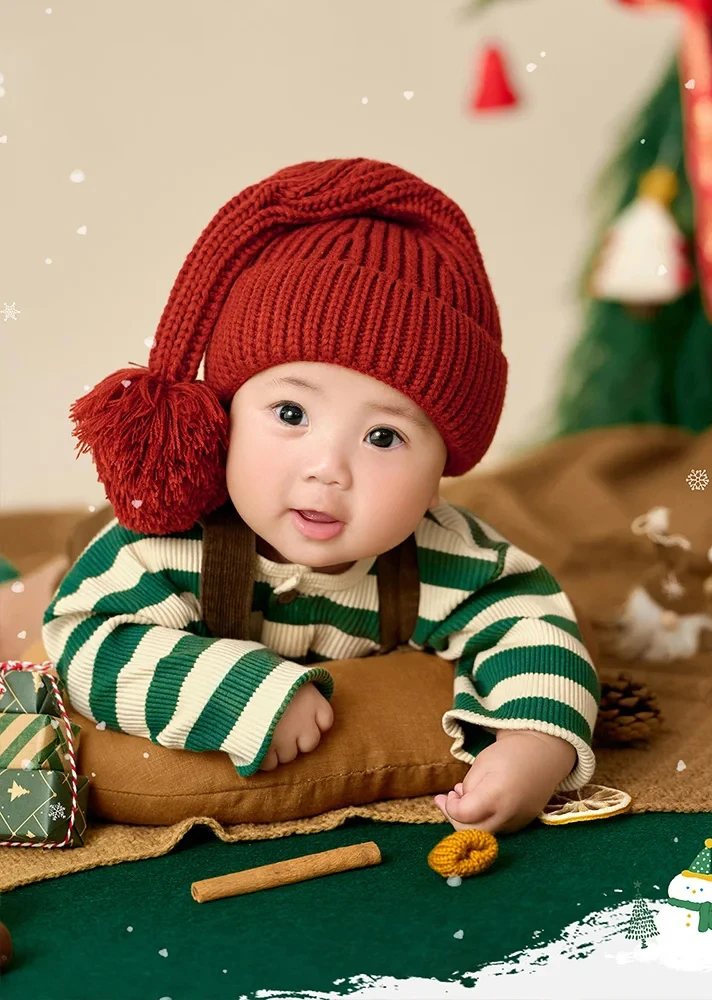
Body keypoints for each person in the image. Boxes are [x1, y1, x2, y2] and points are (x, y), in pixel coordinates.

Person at [42, 158, 600, 834]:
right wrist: (240, 690)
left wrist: (535, 743)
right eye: (290, 415)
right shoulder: (162, 542)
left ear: (443, 471)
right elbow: (84, 641)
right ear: (225, 412)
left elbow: (533, 624)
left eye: (385, 438)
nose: (329, 468)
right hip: (106, 558)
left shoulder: (441, 555)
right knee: (43, 594)